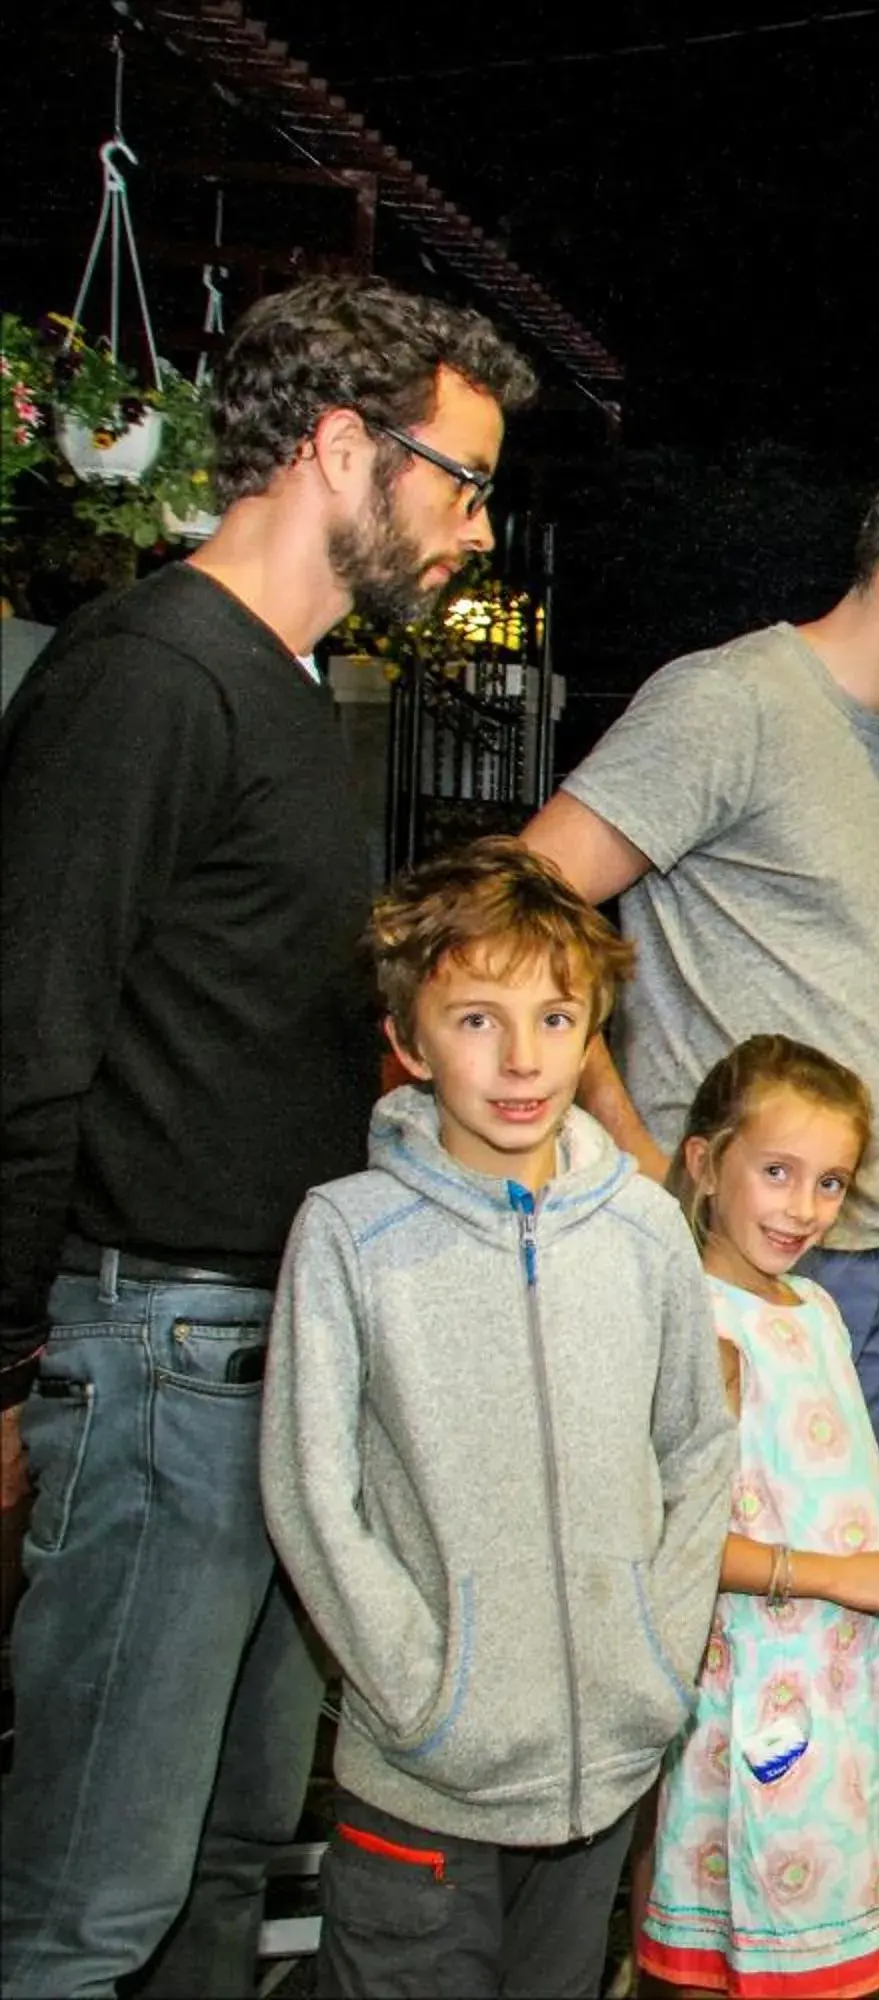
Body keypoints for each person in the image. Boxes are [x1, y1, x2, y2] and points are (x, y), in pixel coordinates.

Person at [0, 276, 535, 1998]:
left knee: (233, 1860)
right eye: (460, 481)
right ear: (332, 446)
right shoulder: (149, 675)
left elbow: (231, 1014)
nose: (472, 530)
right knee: (92, 1901)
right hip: (158, 1356)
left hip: (275, 1349)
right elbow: (26, 1039)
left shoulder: (291, 689)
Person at [260, 840, 734, 1998]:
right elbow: (312, 1489)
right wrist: (427, 1695)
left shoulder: (644, 1227)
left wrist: (654, 1662)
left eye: (556, 1016)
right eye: (476, 1019)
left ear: (592, 1031)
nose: (523, 1058)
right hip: (425, 1781)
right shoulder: (347, 1234)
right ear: (409, 1040)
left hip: (603, 1775)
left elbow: (698, 1445)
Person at [520, 464, 879, 1463]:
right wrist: (627, 1140)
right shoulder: (731, 703)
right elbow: (514, 907)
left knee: (837, 1583)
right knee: (720, 1586)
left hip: (876, 1247)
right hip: (738, 1248)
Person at [639, 1036, 879, 1999]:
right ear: (703, 1162)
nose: (803, 1209)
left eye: (828, 1183)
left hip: (840, 1674)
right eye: (777, 1173)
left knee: (831, 1938)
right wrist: (833, 1576)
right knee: (747, 1931)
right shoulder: (695, 1322)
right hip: (755, 1685)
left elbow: (846, 1452)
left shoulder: (813, 1305)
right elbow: (669, 1541)